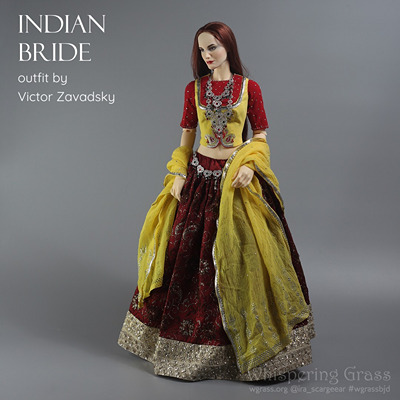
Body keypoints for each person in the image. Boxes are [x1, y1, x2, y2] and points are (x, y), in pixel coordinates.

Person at [117, 21, 315, 382]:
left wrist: (250, 166)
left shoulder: (249, 88)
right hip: (200, 179)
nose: (207, 55)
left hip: (237, 181)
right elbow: (187, 136)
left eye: (213, 47)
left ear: (228, 47)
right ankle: (189, 353)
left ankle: (261, 356)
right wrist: (178, 172)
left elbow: (260, 135)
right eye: (202, 50)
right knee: (188, 260)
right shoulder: (194, 89)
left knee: (250, 260)